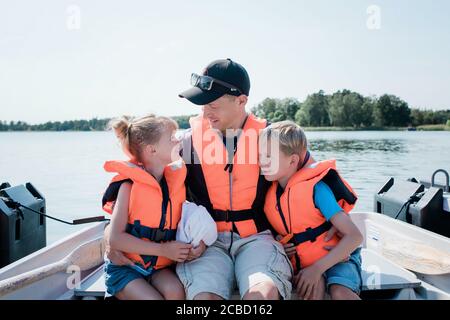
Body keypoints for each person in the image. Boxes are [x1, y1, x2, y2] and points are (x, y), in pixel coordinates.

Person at [175, 59, 293, 300]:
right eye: (202, 105)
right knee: (204, 300)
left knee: (262, 295)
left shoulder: (275, 139)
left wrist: (299, 239)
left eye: (213, 105)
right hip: (205, 243)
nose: (206, 112)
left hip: (257, 239)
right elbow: (145, 187)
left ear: (241, 101)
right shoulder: (184, 143)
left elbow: (313, 186)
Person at [259, 120, 364, 300]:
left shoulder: (317, 190)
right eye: (260, 156)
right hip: (306, 263)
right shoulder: (272, 195)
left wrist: (317, 269)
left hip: (338, 257)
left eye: (269, 157)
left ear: (292, 160)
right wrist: (280, 243)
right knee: (311, 292)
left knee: (340, 293)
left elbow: (355, 236)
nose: (262, 162)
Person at [101, 114, 192, 300]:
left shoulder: (174, 181)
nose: (178, 139)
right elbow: (116, 239)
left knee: (176, 292)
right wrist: (164, 251)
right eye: (171, 138)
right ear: (152, 150)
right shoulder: (128, 186)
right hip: (126, 268)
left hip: (158, 268)